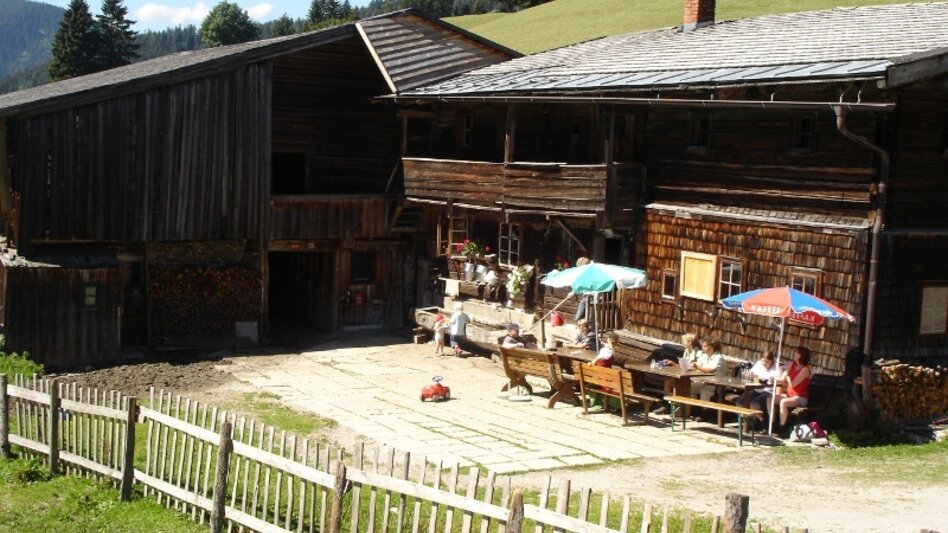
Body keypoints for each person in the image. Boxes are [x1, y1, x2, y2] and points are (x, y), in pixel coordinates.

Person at [774, 347, 813, 433]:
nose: (794, 353)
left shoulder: (805, 369)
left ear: (801, 355)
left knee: (783, 402)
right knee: (770, 399)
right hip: (790, 396)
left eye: (796, 352)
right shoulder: (791, 364)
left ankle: (782, 427)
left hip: (800, 397)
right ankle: (771, 424)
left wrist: (788, 376)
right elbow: (781, 379)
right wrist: (772, 379)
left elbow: (793, 383)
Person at [741, 350, 782, 426]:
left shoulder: (776, 369)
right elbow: (750, 373)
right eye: (763, 361)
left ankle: (761, 422)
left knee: (753, 404)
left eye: (767, 362)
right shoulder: (759, 364)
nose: (764, 364)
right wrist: (748, 374)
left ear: (772, 362)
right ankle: (760, 419)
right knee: (740, 402)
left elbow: (779, 383)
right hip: (756, 389)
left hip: (768, 391)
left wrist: (772, 380)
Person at [690, 337, 726, 402]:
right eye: (702, 346)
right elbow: (697, 365)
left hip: (716, 385)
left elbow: (711, 370)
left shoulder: (718, 358)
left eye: (705, 346)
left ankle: (705, 411)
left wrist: (697, 367)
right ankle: (692, 409)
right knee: (691, 388)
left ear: (712, 347)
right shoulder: (704, 356)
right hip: (704, 382)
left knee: (704, 392)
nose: (703, 348)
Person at [572, 256, 592, 321]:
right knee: (578, 318)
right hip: (585, 298)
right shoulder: (584, 274)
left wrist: (575, 290)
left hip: (592, 298)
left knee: (589, 319)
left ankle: (588, 329)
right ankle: (584, 328)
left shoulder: (590, 274)